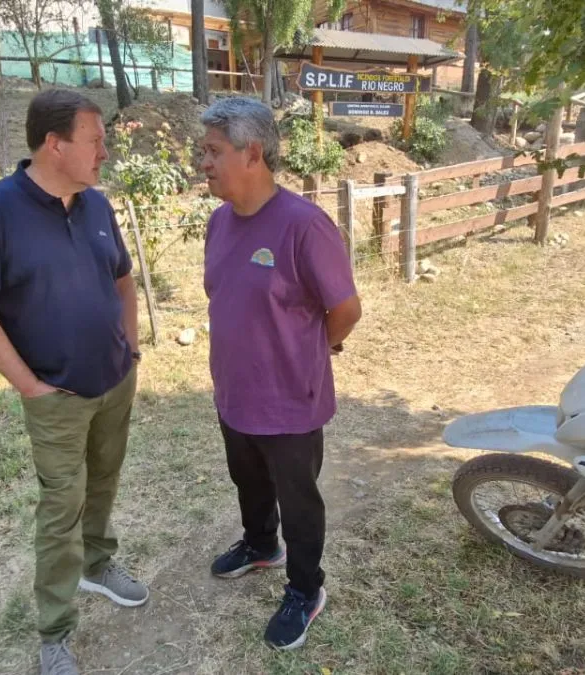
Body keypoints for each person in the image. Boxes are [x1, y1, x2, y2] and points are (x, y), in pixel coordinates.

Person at [0, 88, 147, 675]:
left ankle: (98, 564)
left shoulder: (96, 206)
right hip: (55, 396)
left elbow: (123, 281)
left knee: (104, 482)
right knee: (61, 509)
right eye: (95, 141)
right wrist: (29, 386)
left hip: (115, 381)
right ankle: (55, 633)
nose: (105, 153)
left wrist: (131, 347)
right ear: (55, 145)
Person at [199, 97, 362, 651]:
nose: (203, 163)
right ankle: (260, 544)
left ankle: (306, 589)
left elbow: (345, 309)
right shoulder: (219, 222)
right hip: (234, 390)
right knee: (247, 479)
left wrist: (316, 348)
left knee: (298, 501)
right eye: (203, 151)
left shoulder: (304, 225)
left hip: (291, 398)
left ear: (252, 153)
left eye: (213, 151)